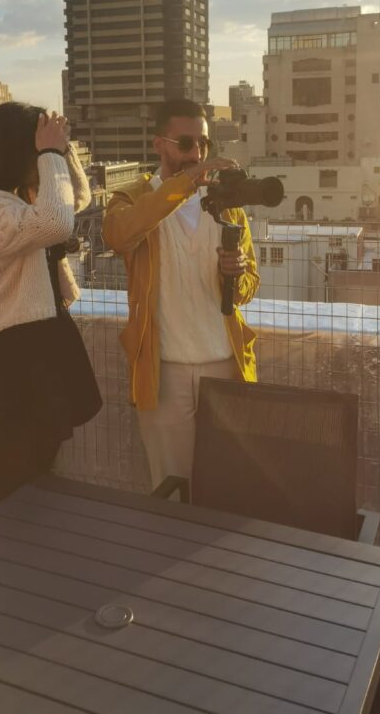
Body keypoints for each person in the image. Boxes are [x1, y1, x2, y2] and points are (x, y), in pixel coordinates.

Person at [102, 98, 259, 490]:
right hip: (163, 374)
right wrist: (185, 184)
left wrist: (236, 274)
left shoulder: (228, 207)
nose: (198, 154)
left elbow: (247, 289)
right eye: (186, 143)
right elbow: (118, 235)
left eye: (204, 144)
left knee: (227, 486)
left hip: (225, 365)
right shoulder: (132, 199)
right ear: (159, 144)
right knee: (171, 487)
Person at [0, 103, 102, 513]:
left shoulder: (18, 199)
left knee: (38, 487)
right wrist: (50, 153)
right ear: (17, 151)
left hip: (41, 351)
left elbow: (78, 199)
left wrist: (61, 149)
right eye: (35, 150)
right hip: (10, 362)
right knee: (7, 496)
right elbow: (57, 223)